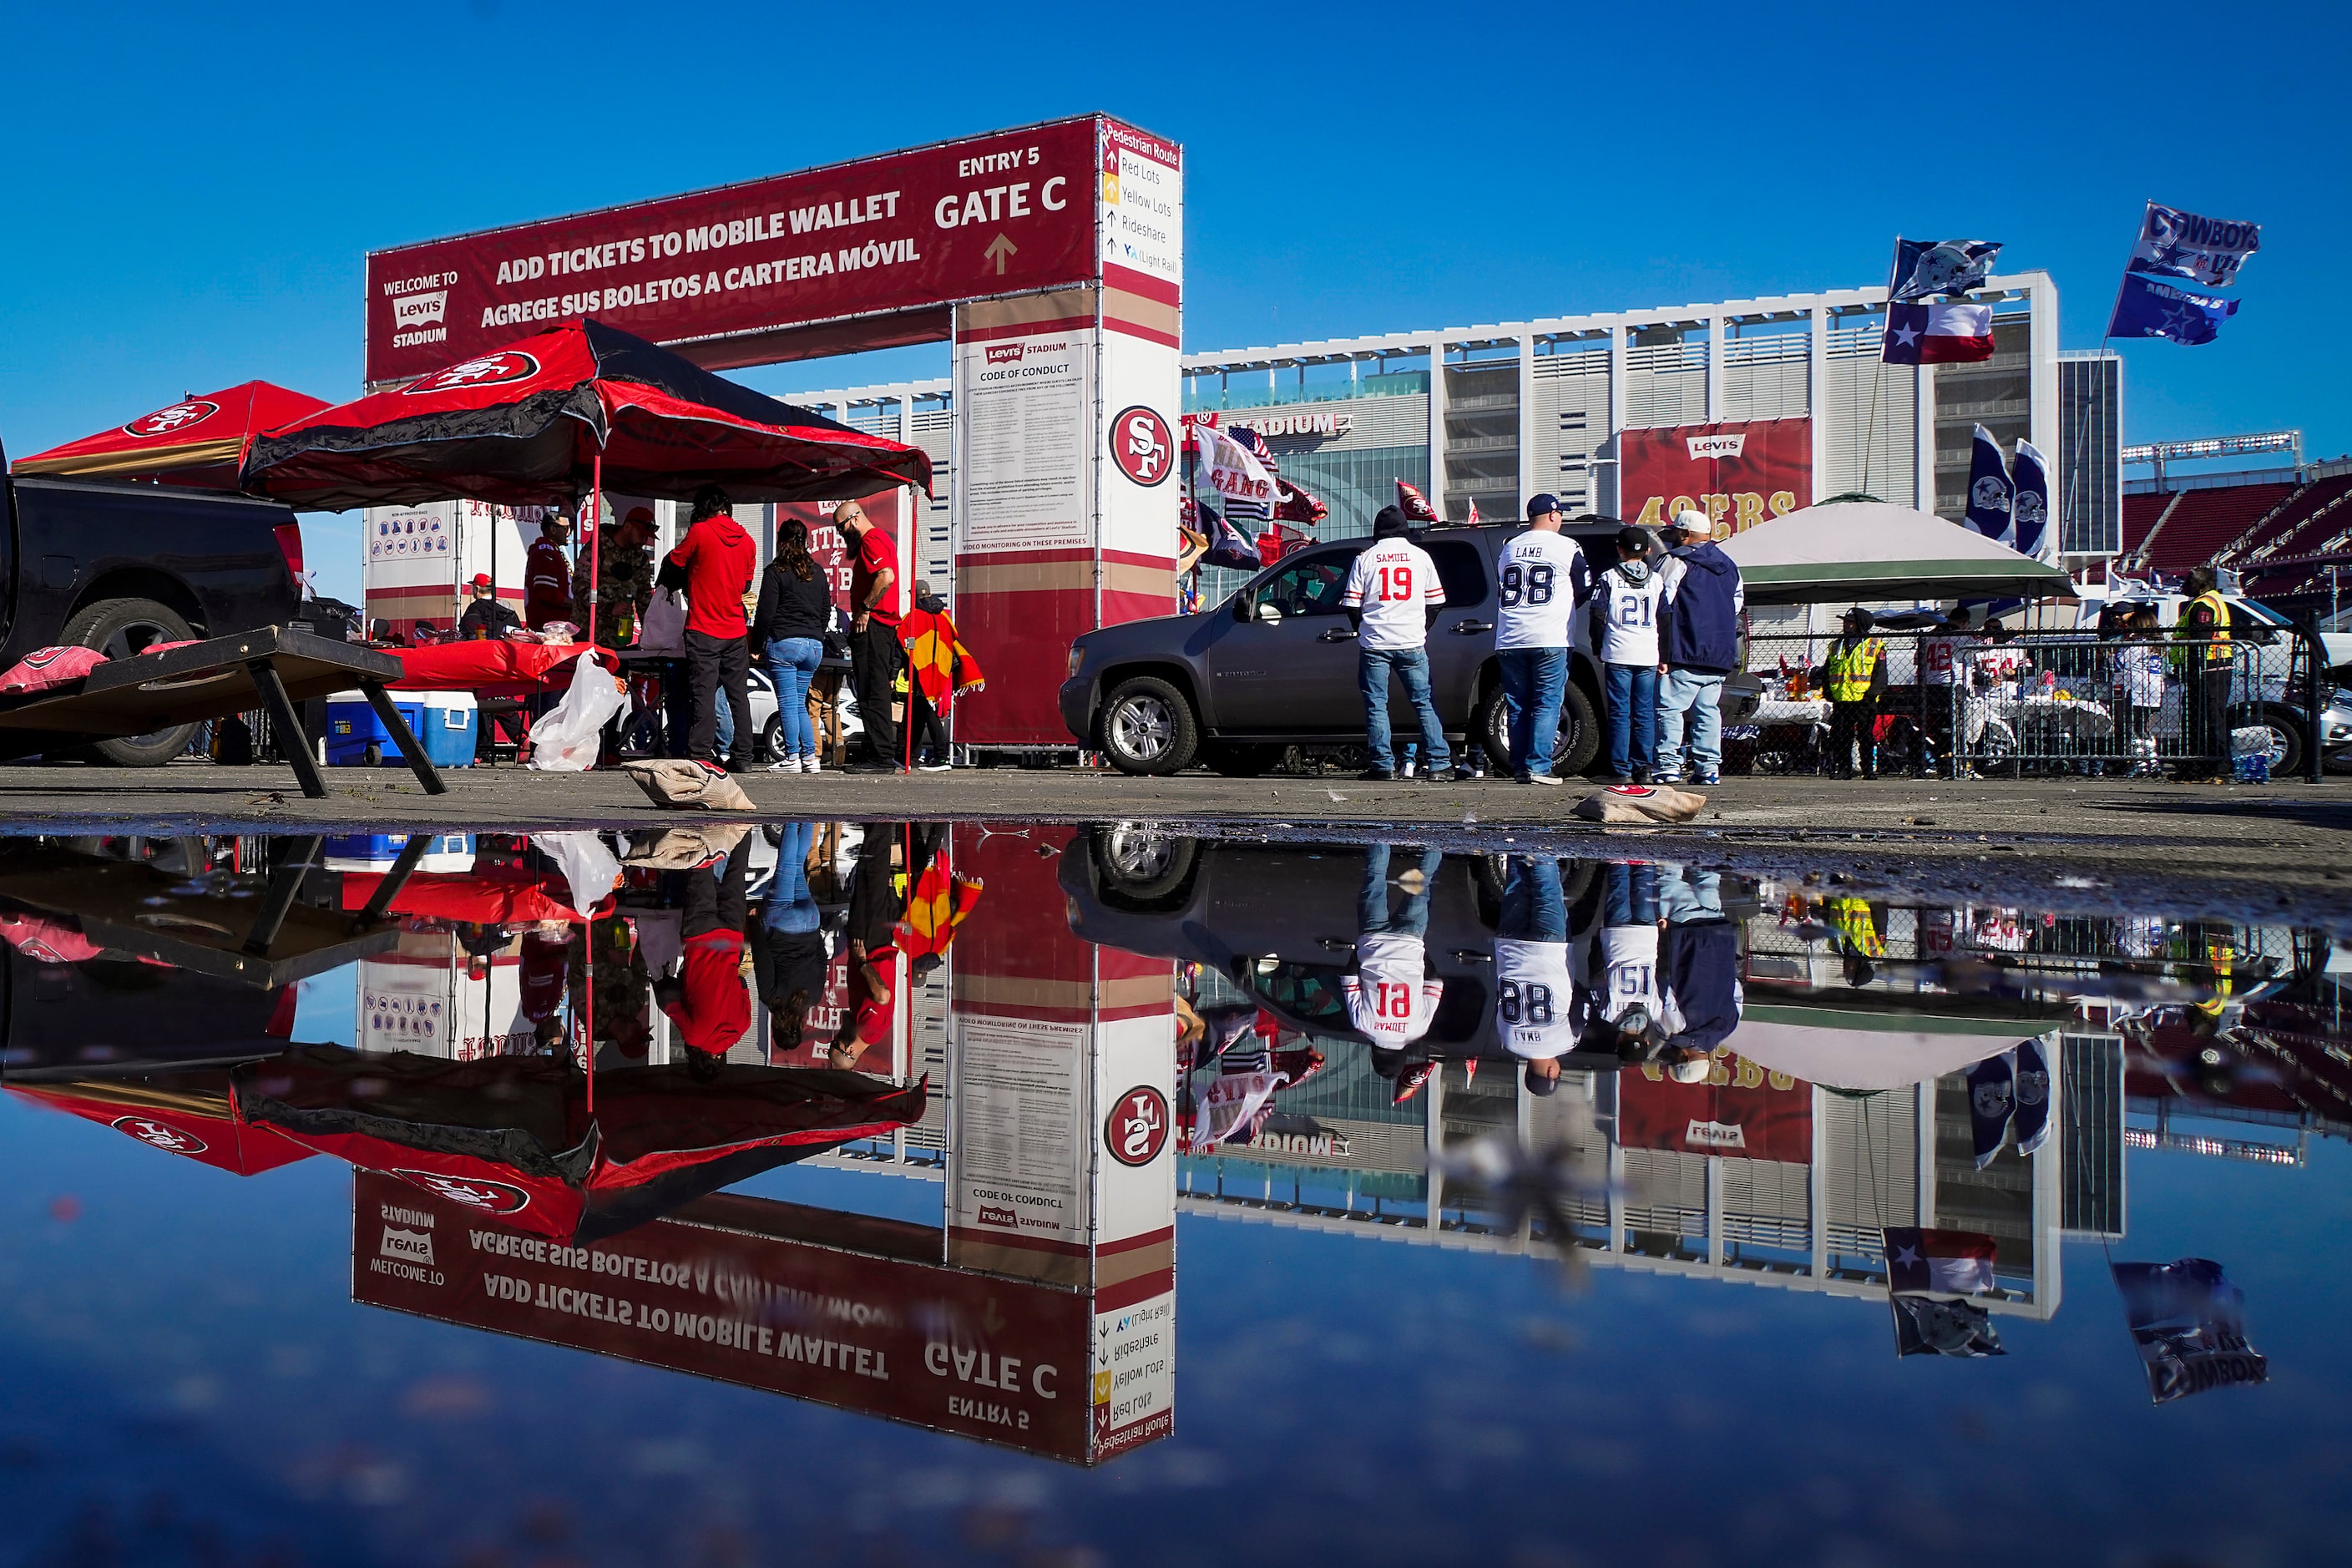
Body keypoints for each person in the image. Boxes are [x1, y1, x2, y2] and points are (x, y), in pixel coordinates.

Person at [1340, 506, 1453, 782]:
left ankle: (1383, 765)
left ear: (1377, 531)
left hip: (1375, 643)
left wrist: (1364, 628)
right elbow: (1437, 602)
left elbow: (1352, 605)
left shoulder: (1366, 558)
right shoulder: (1421, 557)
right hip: (1411, 641)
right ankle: (1438, 764)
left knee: (1377, 704)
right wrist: (1421, 626)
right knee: (1424, 702)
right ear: (1405, 528)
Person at [662, 485, 756, 774]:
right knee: (738, 695)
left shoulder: (700, 532)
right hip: (735, 631)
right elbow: (746, 586)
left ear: (702, 510)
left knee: (703, 694)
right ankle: (744, 757)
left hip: (703, 627)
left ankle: (700, 754)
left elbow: (674, 563)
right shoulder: (748, 541)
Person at [1495, 493, 1586, 786]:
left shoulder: (1509, 546)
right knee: (1547, 702)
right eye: (1560, 514)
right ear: (1552, 515)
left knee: (1518, 704)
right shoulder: (1567, 546)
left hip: (1510, 635)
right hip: (1550, 634)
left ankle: (1520, 766)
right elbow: (1584, 585)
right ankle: (1539, 766)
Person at [1655, 508, 1744, 787]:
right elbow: (1737, 605)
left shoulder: (1675, 561)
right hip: (1719, 652)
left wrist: (1662, 649)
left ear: (1684, 534)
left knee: (1669, 709)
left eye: (1675, 535)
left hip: (1685, 647)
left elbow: (1660, 602)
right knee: (1708, 711)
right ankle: (1708, 769)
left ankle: (1668, 766)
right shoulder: (1729, 565)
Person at [652, 835, 751, 1071]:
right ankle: (703, 825)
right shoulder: (695, 1037)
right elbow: (669, 1002)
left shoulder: (743, 1026)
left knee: (736, 876)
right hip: (700, 938)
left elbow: (742, 984)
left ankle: (745, 829)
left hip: (730, 940)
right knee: (701, 870)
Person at [1344, 842, 1446, 1053]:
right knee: (1375, 878)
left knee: (1422, 880)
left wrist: (1418, 955)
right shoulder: (1362, 1026)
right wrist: (1360, 951)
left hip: (1410, 942)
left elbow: (1435, 982)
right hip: (1374, 939)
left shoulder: (1418, 1030)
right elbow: (1349, 977)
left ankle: (1436, 836)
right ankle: (1382, 829)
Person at [1494, 853, 1579, 1096]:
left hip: (1548, 953)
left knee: (1547, 888)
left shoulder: (1565, 1043)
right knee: (1516, 885)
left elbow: (1581, 1004)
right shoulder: (1508, 1041)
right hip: (1511, 951)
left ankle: (1541, 839)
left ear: (1552, 1072)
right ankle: (1514, 839)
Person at [751, 517, 832, 775]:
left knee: (787, 702)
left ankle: (792, 756)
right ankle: (810, 757)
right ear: (806, 541)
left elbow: (765, 612)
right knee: (800, 703)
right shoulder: (818, 571)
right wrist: (816, 634)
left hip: (786, 642)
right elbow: (825, 610)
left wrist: (757, 644)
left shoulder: (776, 571)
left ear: (781, 541)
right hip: (814, 646)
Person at [1589, 526, 1668, 783]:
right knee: (1644, 712)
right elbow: (1665, 617)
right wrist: (1664, 655)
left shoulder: (1610, 577)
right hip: (1647, 654)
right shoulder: (1656, 580)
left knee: (1620, 713)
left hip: (1618, 652)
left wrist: (1598, 646)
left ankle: (1620, 769)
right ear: (1647, 551)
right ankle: (1644, 767)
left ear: (1619, 550)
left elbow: (1598, 614)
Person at [837, 499, 906, 773]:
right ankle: (878, 752)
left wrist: (865, 608)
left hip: (874, 626)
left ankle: (881, 757)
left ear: (854, 519)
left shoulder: (871, 540)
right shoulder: (880, 540)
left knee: (871, 691)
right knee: (873, 689)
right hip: (881, 627)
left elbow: (886, 576)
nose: (841, 535)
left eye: (841, 528)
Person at [751, 820, 829, 1060]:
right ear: (775, 1029)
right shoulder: (771, 998)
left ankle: (808, 820)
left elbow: (822, 958)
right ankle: (791, 820)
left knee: (798, 866)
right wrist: (754, 924)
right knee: (786, 866)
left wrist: (813, 934)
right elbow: (762, 957)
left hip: (810, 922)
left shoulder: (813, 998)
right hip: (781, 924)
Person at [898, 582, 984, 771]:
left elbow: (901, 643)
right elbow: (952, 641)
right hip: (942, 672)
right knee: (921, 714)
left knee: (927, 713)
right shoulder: (944, 618)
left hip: (921, 672)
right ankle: (911, 757)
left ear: (914, 596)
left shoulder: (912, 617)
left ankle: (941, 757)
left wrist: (895, 670)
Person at [2172, 564, 2234, 781]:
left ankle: (2218, 769)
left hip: (2208, 668)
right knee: (2197, 719)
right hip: (2205, 667)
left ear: (2201, 585)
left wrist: (2183, 643)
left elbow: (2202, 638)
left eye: (2189, 581)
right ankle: (2197, 767)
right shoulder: (2205, 601)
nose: (2184, 585)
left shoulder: (2204, 605)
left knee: (2211, 719)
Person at [1817, 608, 1888, 778]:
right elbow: (1827, 670)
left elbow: (1881, 674)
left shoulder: (1875, 644)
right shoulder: (1836, 645)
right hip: (1841, 697)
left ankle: (1868, 770)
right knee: (1842, 736)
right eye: (1845, 621)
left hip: (1864, 698)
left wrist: (1871, 694)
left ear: (1860, 625)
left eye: (1850, 622)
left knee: (1865, 736)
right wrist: (1827, 690)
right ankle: (1844, 769)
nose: (1846, 625)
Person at [574, 505, 657, 650]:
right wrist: (610, 607)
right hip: (588, 637)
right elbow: (579, 586)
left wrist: (652, 635)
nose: (645, 541)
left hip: (619, 640)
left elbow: (644, 599)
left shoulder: (640, 559)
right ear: (627, 527)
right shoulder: (596, 549)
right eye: (642, 534)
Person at [1918, 610, 1977, 777]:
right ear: (1964, 623)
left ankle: (1943, 762)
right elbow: (1980, 644)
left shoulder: (1929, 637)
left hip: (1929, 684)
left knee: (1938, 728)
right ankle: (1955, 763)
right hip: (1950, 684)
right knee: (1955, 728)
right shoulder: (1958, 636)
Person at [2113, 605, 2167, 776]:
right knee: (2144, 726)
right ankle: (2152, 761)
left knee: (2134, 727)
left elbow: (2121, 662)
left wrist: (2117, 650)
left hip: (2137, 689)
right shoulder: (2156, 645)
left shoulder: (2138, 645)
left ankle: (2141, 763)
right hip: (2155, 688)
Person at [524, 512, 574, 630]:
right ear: (553, 529)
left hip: (557, 626)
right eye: (566, 528)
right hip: (551, 628)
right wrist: (575, 605)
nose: (568, 533)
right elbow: (547, 593)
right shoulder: (545, 553)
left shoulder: (551, 552)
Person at [455, 573, 520, 640]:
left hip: (485, 648)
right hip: (506, 649)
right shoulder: (507, 606)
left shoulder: (475, 608)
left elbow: (469, 632)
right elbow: (518, 631)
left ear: (477, 589)